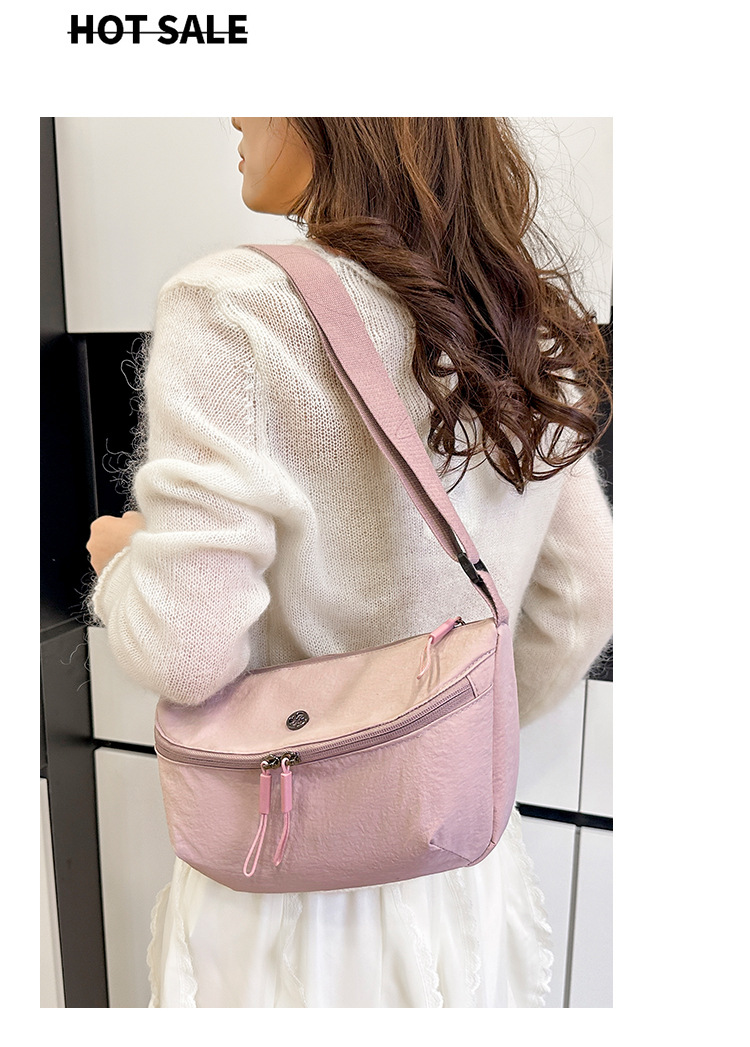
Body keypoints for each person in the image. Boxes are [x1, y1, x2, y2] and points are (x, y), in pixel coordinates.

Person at [87, 117, 613, 1008]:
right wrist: (440, 737)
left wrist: (122, 560)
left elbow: (185, 649)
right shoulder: (524, 323)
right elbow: (589, 591)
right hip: (457, 863)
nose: (239, 114)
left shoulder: (235, 309)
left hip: (285, 878)